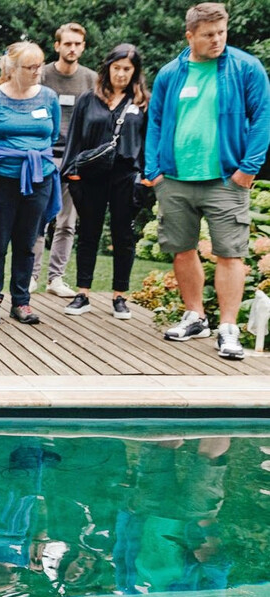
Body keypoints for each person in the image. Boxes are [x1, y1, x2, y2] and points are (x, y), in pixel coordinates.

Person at [145, 2, 270, 360]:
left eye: (221, 32)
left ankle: (228, 328)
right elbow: (154, 123)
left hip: (226, 179)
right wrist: (154, 171)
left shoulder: (246, 67)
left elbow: (262, 118)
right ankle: (195, 315)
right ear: (190, 36)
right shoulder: (170, 73)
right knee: (182, 249)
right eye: (208, 35)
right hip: (175, 178)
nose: (217, 40)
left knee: (230, 252)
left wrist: (248, 169)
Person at [0, 42, 61, 326]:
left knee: (27, 242)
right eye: (30, 67)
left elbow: (51, 134)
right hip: (1, 180)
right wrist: (5, 154)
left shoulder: (48, 97)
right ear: (12, 68)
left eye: (39, 65)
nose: (37, 71)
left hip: (38, 178)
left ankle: (21, 301)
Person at [61, 44, 149, 320]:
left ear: (135, 72)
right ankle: (83, 292)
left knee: (124, 236)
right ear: (107, 68)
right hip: (92, 174)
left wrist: (146, 177)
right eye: (116, 68)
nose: (121, 74)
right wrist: (72, 171)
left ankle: (119, 296)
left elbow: (149, 142)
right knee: (88, 233)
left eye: (127, 69)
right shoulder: (89, 99)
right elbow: (74, 137)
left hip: (126, 173)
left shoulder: (142, 102)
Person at [30, 23, 97, 298]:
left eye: (77, 44)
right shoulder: (42, 75)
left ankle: (56, 278)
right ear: (57, 46)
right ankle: (31, 275)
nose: (72, 49)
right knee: (38, 219)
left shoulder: (91, 79)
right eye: (67, 44)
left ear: (83, 47)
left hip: (75, 159)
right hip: (44, 155)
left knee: (67, 222)